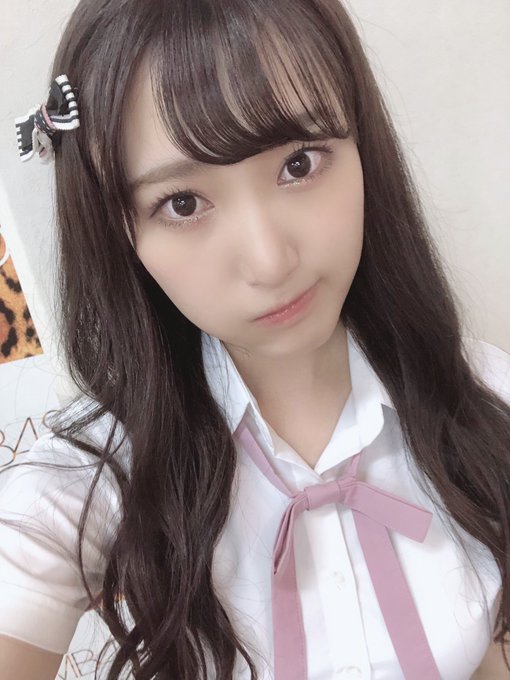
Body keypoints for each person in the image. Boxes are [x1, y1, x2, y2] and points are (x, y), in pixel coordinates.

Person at [2, 0, 510, 678]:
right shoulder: (92, 481)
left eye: (299, 163)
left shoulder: (484, 401)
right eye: (183, 203)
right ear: (121, 231)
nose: (270, 262)